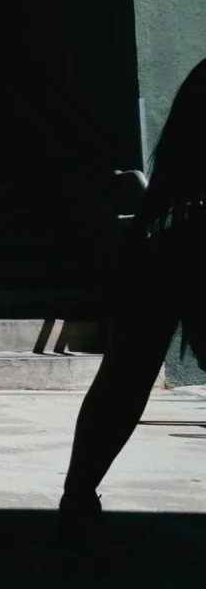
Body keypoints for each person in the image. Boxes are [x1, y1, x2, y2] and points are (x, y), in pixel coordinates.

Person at [59, 57, 206, 539]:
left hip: (169, 234)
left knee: (125, 376)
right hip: (179, 237)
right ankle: (78, 494)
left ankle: (78, 495)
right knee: (126, 376)